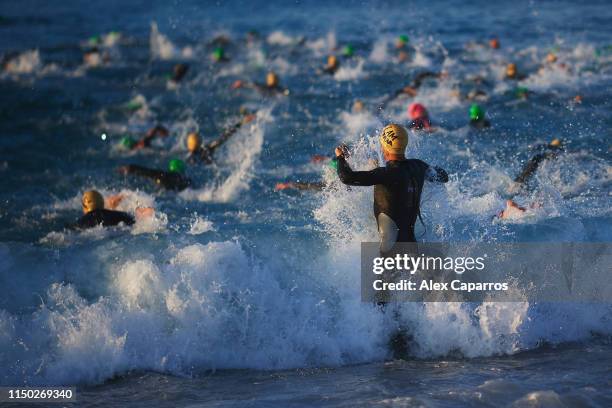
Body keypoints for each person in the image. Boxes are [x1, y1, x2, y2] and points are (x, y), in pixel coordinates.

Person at [334, 124, 448, 252]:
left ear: (384, 147)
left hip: (390, 254)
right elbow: (443, 176)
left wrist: (340, 158)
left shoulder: (385, 174)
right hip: (412, 247)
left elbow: (347, 178)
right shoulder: (418, 167)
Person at [186, 111, 257, 164]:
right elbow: (224, 137)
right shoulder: (207, 150)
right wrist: (241, 122)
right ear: (200, 142)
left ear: (189, 146)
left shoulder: (188, 159)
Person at [118, 159, 192, 191]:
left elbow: (148, 172)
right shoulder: (186, 180)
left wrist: (130, 168)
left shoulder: (164, 175)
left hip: (164, 192)